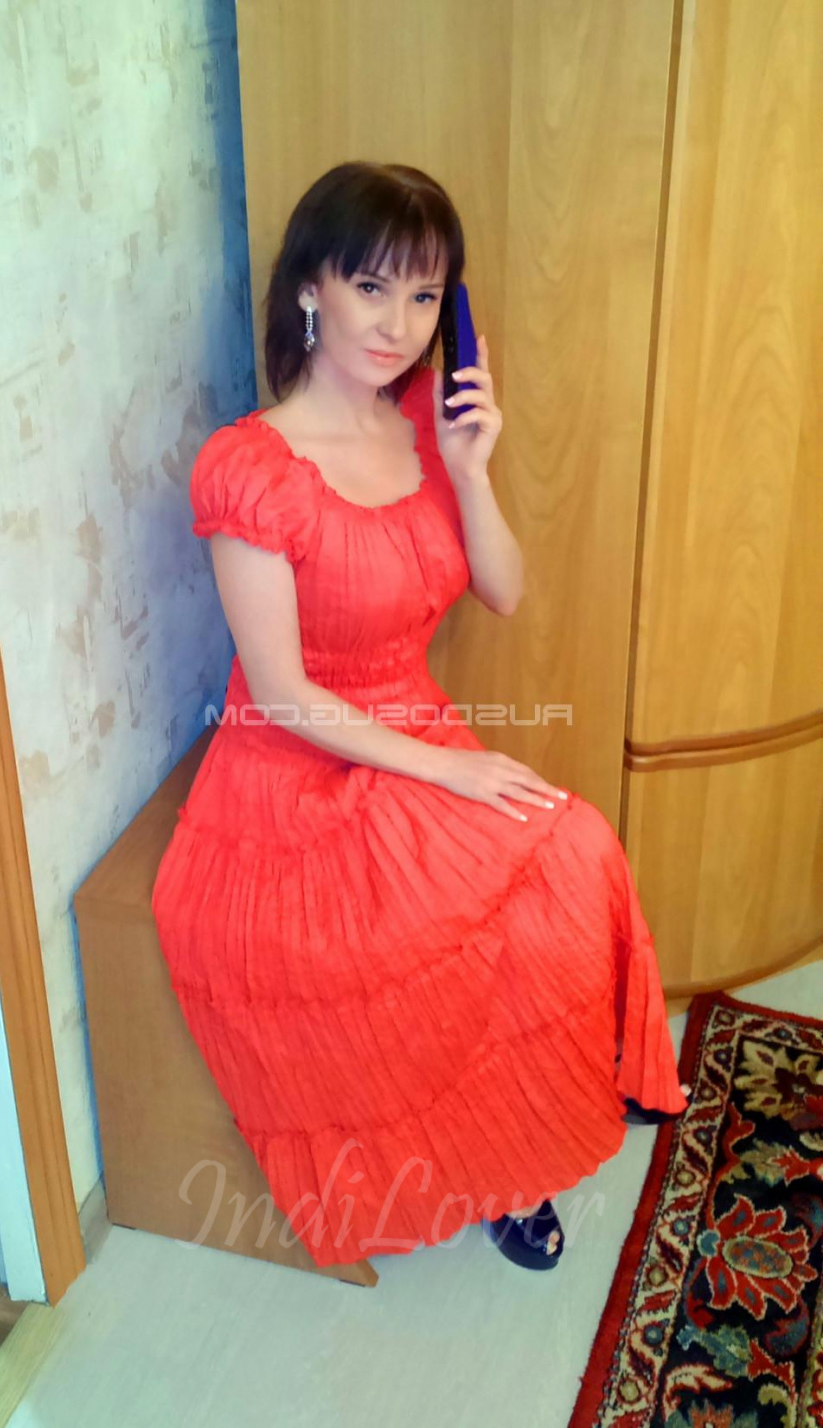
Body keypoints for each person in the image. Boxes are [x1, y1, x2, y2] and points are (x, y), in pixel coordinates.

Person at [151, 160, 689, 1274]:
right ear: (310, 287)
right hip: (294, 766)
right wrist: (446, 772)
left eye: (425, 295)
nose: (398, 325)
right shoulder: (249, 468)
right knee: (436, 927)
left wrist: (470, 468)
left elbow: (504, 591)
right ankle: (498, 1165)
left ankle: (540, 1113)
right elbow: (285, 693)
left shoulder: (424, 427)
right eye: (370, 287)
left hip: (415, 723)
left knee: (576, 854)